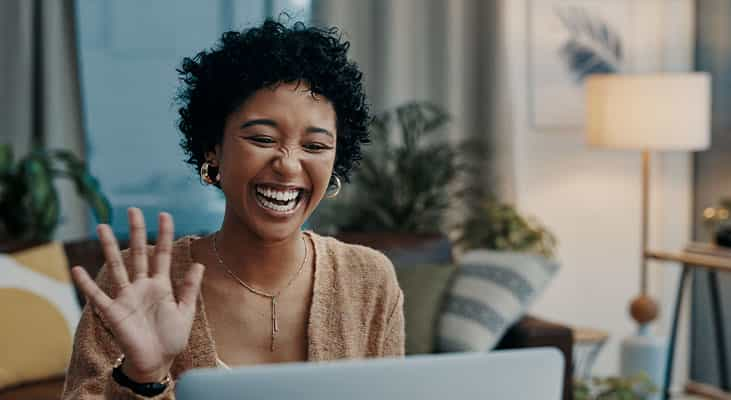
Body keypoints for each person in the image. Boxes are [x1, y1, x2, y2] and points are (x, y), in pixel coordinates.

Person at [62, 19, 404, 399]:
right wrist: (143, 376)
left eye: (315, 146)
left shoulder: (369, 280)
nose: (289, 165)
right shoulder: (132, 283)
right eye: (262, 138)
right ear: (213, 149)